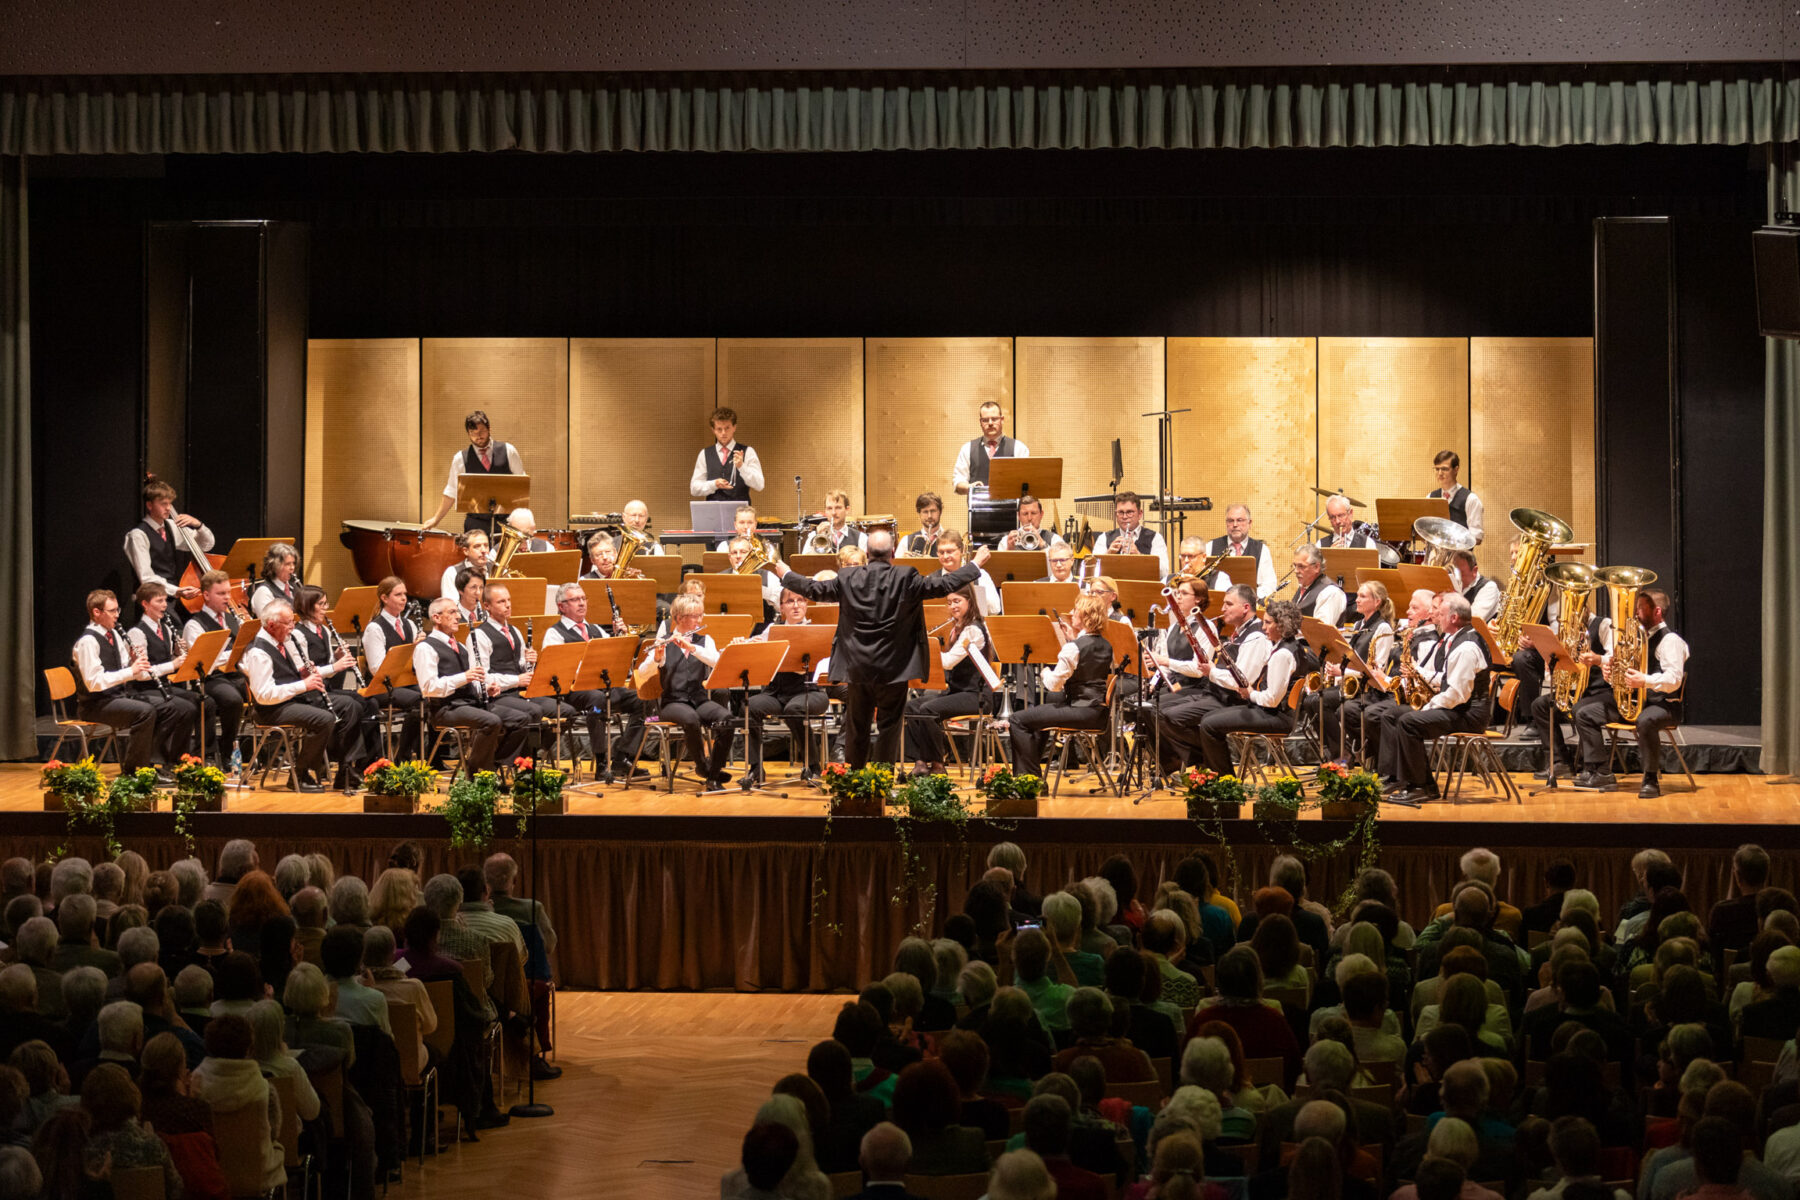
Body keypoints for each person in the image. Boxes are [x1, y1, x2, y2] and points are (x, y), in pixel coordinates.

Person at [770, 531, 985, 769]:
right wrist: (974, 564)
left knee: (857, 725)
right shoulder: (906, 576)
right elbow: (944, 584)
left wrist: (786, 574)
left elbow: (814, 589)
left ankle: (857, 780)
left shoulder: (848, 577)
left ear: (868, 554)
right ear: (892, 554)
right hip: (895, 668)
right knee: (889, 727)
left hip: (858, 667)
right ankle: (882, 781)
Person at [1570, 587, 1688, 798]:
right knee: (1583, 712)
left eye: (1640, 609)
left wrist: (1644, 681)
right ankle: (1600, 770)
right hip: (1634, 702)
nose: (1635, 614)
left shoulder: (1671, 641)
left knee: (1645, 721)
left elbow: (1674, 680)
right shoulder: (1634, 638)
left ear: (1657, 612)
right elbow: (1621, 668)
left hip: (1662, 704)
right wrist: (1610, 671)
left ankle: (1650, 779)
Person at [1383, 593, 1492, 806]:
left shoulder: (1466, 647)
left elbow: (1457, 695)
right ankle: (1407, 781)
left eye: (1440, 614)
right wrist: (1419, 672)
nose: (1437, 618)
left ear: (1453, 618)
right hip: (1461, 708)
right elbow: (1448, 679)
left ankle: (1423, 786)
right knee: (1398, 715)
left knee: (1409, 722)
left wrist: (1426, 708)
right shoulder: (1460, 639)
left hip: (1469, 715)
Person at [71, 588, 194, 774]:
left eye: (117, 610)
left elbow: (127, 669)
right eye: (112, 611)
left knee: (170, 707)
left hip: (117, 697)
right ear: (97, 613)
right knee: (144, 712)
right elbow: (93, 682)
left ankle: (155, 764)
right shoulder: (88, 641)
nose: (117, 616)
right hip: (95, 705)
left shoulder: (114, 636)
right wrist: (131, 670)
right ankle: (133, 771)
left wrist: (135, 663)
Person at [541, 582, 650, 780]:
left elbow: (615, 661)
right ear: (561, 606)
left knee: (642, 699)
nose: (581, 603)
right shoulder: (554, 633)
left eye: (583, 599)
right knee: (597, 703)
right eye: (575, 600)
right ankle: (601, 762)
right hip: (574, 692)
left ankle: (623, 757)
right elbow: (556, 670)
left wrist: (621, 638)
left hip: (604, 688)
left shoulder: (597, 630)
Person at [1194, 599, 1306, 777]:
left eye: (1268, 623)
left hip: (1277, 717)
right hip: (1273, 713)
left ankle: (1224, 781)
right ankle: (1216, 776)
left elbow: (1271, 699)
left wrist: (1250, 693)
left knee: (1209, 725)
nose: (1263, 627)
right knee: (1207, 718)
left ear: (1282, 624)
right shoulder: (1291, 646)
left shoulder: (1282, 654)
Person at [413, 596, 523, 775]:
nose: (458, 617)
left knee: (521, 719)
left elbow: (469, 682)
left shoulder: (461, 647)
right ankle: (475, 773)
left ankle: (491, 766)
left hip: (469, 703)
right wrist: (464, 677)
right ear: (436, 618)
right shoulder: (426, 648)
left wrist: (485, 689)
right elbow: (429, 688)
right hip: (445, 709)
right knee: (491, 721)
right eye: (452, 612)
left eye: (457, 612)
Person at [1007, 595, 1113, 779]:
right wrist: (1072, 638)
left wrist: (1045, 672)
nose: (1071, 613)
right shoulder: (1106, 644)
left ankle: (1029, 779)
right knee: (1036, 721)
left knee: (1017, 720)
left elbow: (1054, 686)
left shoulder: (1074, 648)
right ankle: (1031, 778)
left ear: (1085, 615)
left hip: (1080, 710)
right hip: (1097, 713)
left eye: (1076, 609)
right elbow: (1085, 661)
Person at [240, 600, 338, 792]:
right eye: (288, 623)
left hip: (289, 702)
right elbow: (264, 695)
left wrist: (303, 674)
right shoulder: (258, 652)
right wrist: (303, 685)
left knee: (351, 704)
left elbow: (286, 676)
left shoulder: (282, 642)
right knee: (324, 719)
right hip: (271, 710)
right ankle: (300, 776)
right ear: (271, 625)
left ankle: (347, 769)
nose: (292, 627)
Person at [642, 593, 735, 787]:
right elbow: (642, 672)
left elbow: (717, 663)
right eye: (695, 616)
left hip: (699, 700)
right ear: (678, 617)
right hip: (672, 702)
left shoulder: (704, 640)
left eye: (701, 615)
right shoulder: (663, 641)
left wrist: (692, 648)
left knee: (727, 720)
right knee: (691, 718)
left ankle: (713, 774)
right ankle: (703, 766)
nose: (700, 620)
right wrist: (657, 659)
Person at [292, 586, 377, 793]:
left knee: (367, 701)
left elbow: (327, 663)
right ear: (306, 607)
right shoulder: (297, 634)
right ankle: (345, 768)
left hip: (325, 689)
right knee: (349, 706)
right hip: (307, 693)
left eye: (326, 604)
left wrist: (336, 658)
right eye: (321, 605)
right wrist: (334, 667)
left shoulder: (325, 630)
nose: (326, 609)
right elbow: (304, 670)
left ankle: (362, 764)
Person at [902, 585, 992, 776]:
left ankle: (937, 763)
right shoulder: (957, 627)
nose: (952, 606)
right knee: (911, 707)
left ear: (970, 601)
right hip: (957, 692)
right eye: (949, 602)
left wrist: (925, 647)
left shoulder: (973, 630)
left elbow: (949, 662)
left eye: (957, 601)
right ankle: (920, 762)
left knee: (929, 709)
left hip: (976, 695)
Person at [1528, 596, 1613, 780]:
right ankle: (1559, 762)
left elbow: (1615, 656)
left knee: (1580, 709)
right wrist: (1554, 665)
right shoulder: (1567, 632)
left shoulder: (1603, 625)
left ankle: (1592, 767)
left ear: (1585, 608)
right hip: (1577, 690)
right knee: (1541, 705)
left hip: (1601, 691)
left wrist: (1598, 660)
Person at [1310, 580, 1395, 762]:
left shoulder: (1383, 628)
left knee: (1321, 702)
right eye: (1357, 596)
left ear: (1377, 601)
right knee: (1311, 701)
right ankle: (1338, 751)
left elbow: (1376, 669)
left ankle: (1343, 753)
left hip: (1367, 689)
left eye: (1362, 596)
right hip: (1352, 684)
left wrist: (1343, 672)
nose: (1356, 600)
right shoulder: (1358, 625)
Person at [181, 569, 249, 768]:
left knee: (265, 690)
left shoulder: (232, 619)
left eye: (228, 593)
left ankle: (270, 750)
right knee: (232, 699)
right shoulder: (194, 625)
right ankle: (226, 752)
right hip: (209, 679)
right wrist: (234, 653)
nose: (227, 598)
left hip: (234, 675)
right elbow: (202, 661)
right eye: (221, 594)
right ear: (206, 595)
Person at [422, 409, 527, 536]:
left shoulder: (509, 451)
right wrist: (436, 519)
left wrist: (522, 520)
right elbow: (451, 491)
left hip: (506, 520)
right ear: (468, 434)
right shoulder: (460, 458)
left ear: (489, 429)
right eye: (473, 432)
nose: (478, 436)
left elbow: (521, 486)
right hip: (475, 522)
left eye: (482, 431)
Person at [123, 474, 215, 602]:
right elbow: (146, 578)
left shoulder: (172, 526)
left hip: (172, 597)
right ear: (149, 505)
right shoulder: (138, 535)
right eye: (163, 504)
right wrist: (176, 591)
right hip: (151, 601)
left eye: (170, 503)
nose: (168, 508)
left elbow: (206, 545)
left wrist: (198, 525)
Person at [952, 400, 1029, 497]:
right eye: (985, 420)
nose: (990, 423)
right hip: (978, 510)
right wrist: (970, 487)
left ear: (1002, 420)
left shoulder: (1019, 448)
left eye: (994, 419)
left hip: (1011, 510)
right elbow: (958, 481)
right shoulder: (967, 449)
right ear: (980, 422)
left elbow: (1026, 484)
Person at [690, 405, 763, 503]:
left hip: (741, 515)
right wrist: (714, 484)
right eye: (719, 429)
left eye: (727, 428)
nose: (723, 433)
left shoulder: (748, 451)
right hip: (712, 513)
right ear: (713, 430)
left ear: (734, 427)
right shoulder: (704, 454)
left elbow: (759, 485)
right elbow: (694, 489)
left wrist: (742, 467)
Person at [1205, 504, 1279, 598]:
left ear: (1250, 523)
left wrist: (1248, 598)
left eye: (1240, 520)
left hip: (1250, 606)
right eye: (1231, 521)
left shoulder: (1262, 550)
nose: (1235, 525)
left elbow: (1269, 585)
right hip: (1218, 604)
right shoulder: (1210, 546)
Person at [927, 531, 1002, 617]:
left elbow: (995, 609)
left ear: (962, 550)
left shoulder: (981, 575)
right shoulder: (931, 580)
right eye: (941, 552)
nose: (945, 556)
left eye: (950, 551)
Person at [1428, 450, 1485, 544]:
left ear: (1456, 469)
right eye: (1437, 469)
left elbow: (1477, 537)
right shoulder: (1430, 497)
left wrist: (1453, 542)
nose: (1440, 473)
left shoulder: (1471, 499)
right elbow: (1424, 531)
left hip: (1460, 557)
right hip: (1434, 556)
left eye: (1444, 469)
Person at [1097, 491, 1168, 559]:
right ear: (1116, 514)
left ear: (1140, 514)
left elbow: (1163, 570)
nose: (1124, 517)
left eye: (1129, 512)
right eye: (1121, 512)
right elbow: (1092, 568)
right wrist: (1108, 554)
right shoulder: (1104, 538)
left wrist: (1138, 555)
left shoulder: (1155, 538)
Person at [1288, 544, 1347, 624]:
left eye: (1301, 566)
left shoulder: (1330, 592)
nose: (1296, 571)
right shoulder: (1305, 586)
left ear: (1316, 567)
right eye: (1295, 566)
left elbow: (1321, 630)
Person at [247, 542, 301, 618]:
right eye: (287, 564)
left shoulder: (294, 587)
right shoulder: (264, 592)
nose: (292, 567)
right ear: (275, 566)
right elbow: (268, 624)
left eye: (293, 563)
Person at [1449, 550, 1501, 623]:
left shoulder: (1489, 587)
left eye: (1462, 573)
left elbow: (1472, 618)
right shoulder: (1454, 583)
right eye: (1456, 572)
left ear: (1474, 571)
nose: (1457, 577)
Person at [438, 529, 491, 600]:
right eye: (477, 546)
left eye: (486, 546)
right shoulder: (452, 573)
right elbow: (451, 606)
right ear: (466, 551)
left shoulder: (498, 570)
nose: (484, 550)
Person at [903, 492, 949, 557]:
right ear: (919, 514)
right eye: (925, 512)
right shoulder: (906, 541)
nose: (929, 516)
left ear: (940, 512)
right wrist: (903, 562)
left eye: (933, 511)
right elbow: (895, 566)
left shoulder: (951, 540)